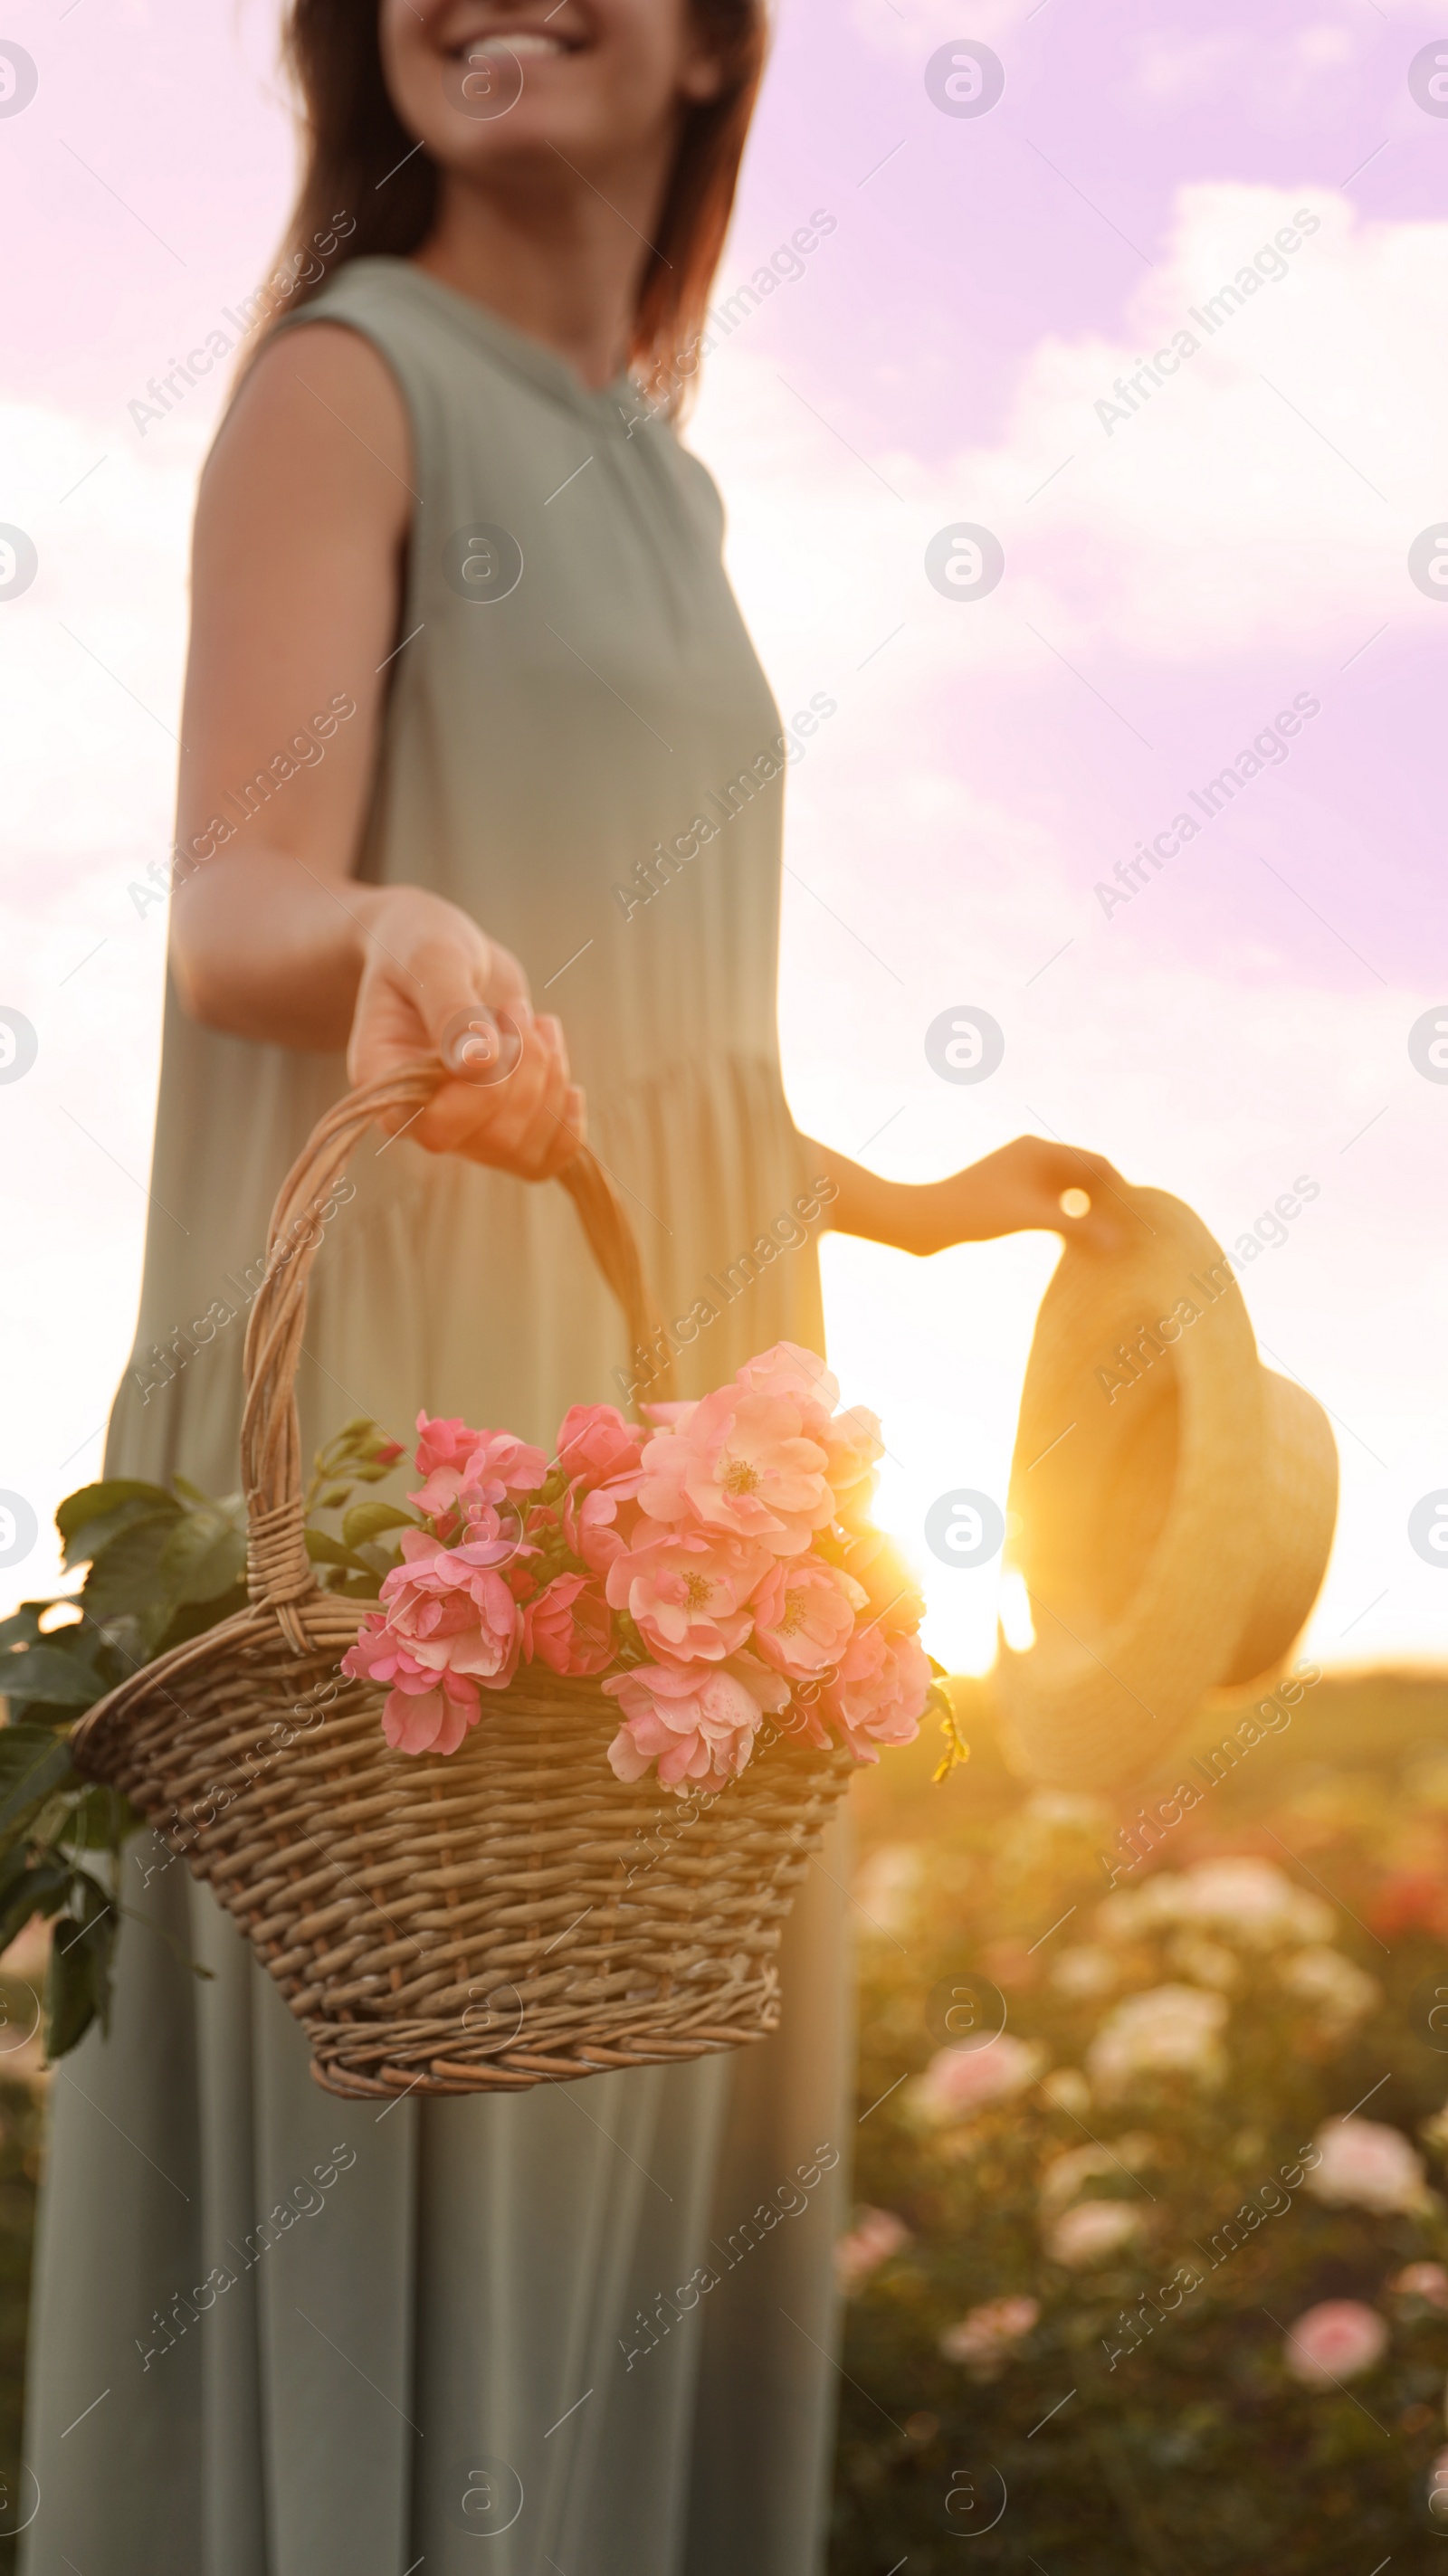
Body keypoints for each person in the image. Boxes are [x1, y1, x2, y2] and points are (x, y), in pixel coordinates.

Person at [21, 5, 1121, 2568]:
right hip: (414, 1407)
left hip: (677, 1431)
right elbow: (231, 907)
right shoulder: (348, 374)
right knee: (423, 2126)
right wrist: (388, 915)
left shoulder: (677, 486)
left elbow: (638, 1041)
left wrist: (887, 1203)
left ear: (725, 39)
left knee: (646, 2160)